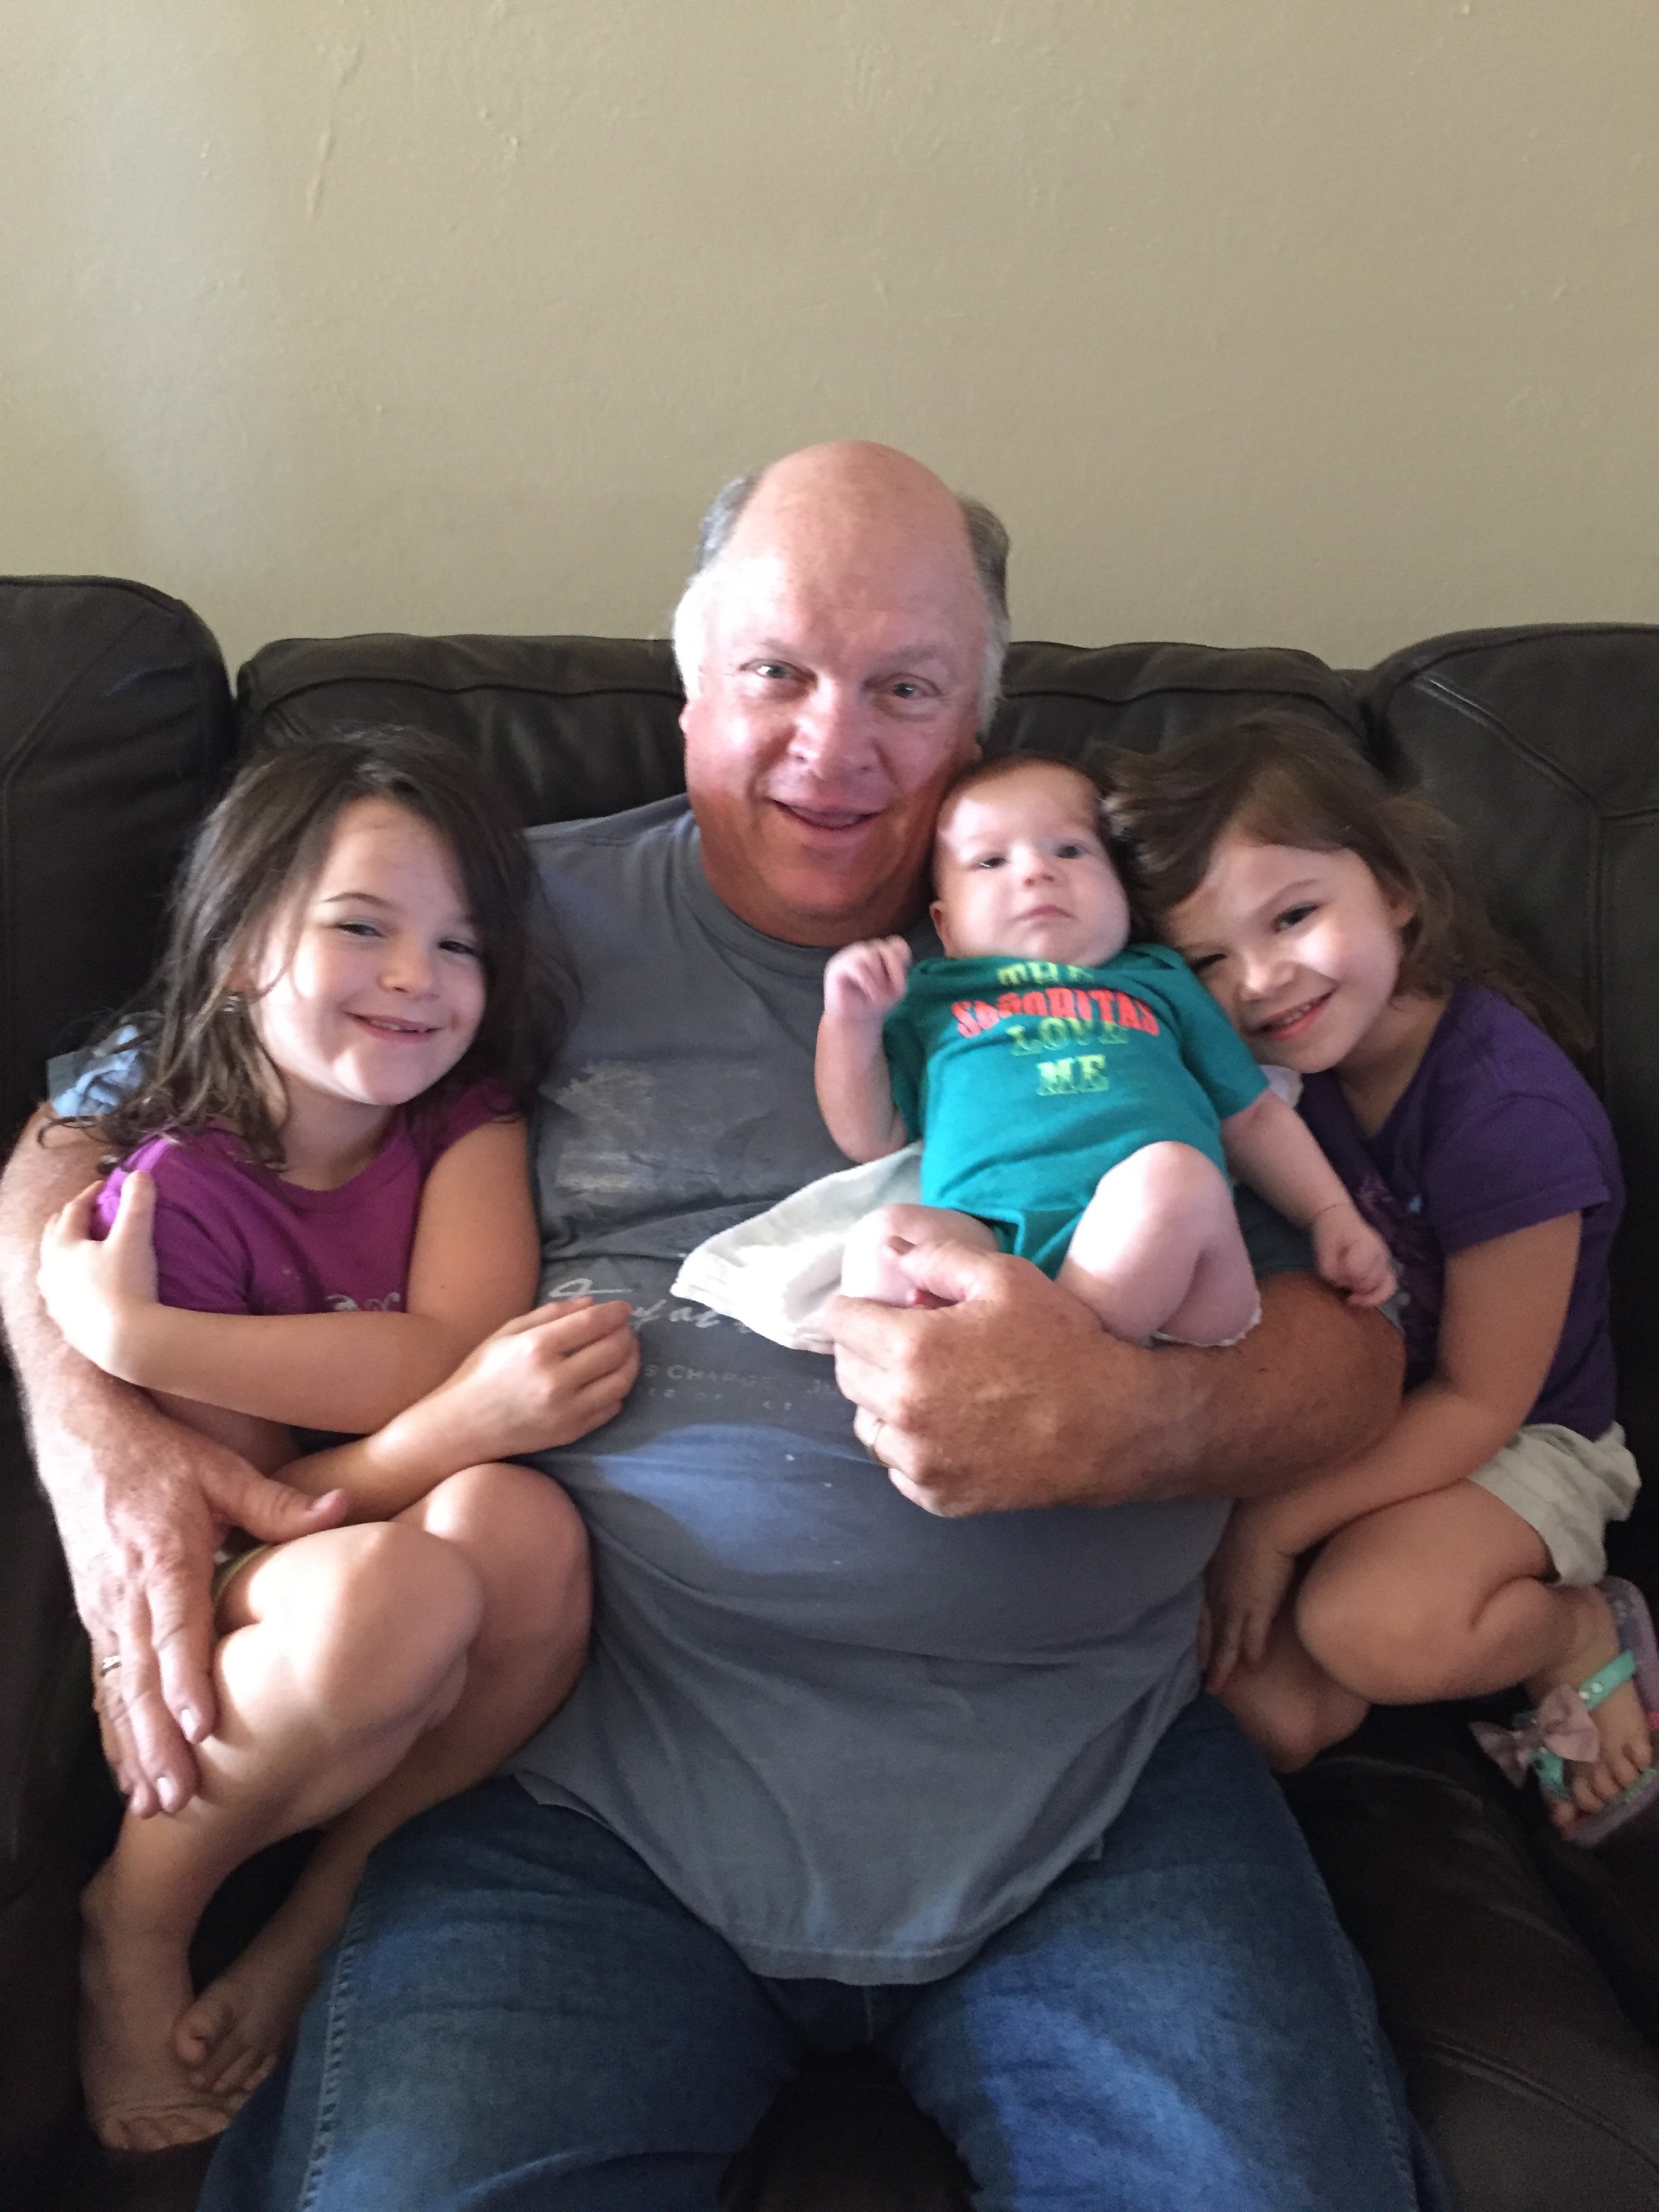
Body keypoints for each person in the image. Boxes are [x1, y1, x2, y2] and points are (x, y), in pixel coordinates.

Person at [0, 445, 1439, 2211]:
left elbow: (1363, 1348)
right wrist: (98, 1434)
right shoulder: (489, 924)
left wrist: (1128, 1419)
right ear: (687, 681)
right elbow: (80, 1126)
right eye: (776, 672)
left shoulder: (1123, 953)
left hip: (1093, 1777)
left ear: (980, 720)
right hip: (579, 1797)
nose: (834, 745)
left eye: (905, 688)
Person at [30, 731, 637, 2150]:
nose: (417, 977)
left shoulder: (466, 1122)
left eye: (458, 943)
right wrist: (142, 1344)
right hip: (249, 1583)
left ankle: (321, 1917)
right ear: (241, 946)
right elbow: (238, 1502)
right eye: (361, 928)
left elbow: (447, 1346)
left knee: (528, 1532)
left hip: (374, 1532)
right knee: (396, 1586)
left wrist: (154, 1343)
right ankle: (137, 1919)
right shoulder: (170, 1195)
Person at [1109, 713, 1655, 1837]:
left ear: (1397, 888)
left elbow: (1481, 1401)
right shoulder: (1267, 1084)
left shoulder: (1505, 1115)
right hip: (1362, 1421)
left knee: (1374, 1627)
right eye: (1206, 960)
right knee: (1260, 1717)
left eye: (1292, 916)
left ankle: (1571, 1628)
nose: (1260, 981)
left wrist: (1271, 1527)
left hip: (1522, 1436)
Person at [818, 750, 1395, 1343]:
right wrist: (851, 1023)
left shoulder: (1161, 979)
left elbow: (1252, 1117)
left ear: (1121, 890)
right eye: (990, 861)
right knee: (886, 1239)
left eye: (1070, 850)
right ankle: (1019, 1360)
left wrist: (1330, 1215)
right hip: (987, 1244)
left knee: (1175, 1175)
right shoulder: (931, 998)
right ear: (945, 925)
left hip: (1172, 1267)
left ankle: (1059, 1357)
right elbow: (872, 1136)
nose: (1035, 871)